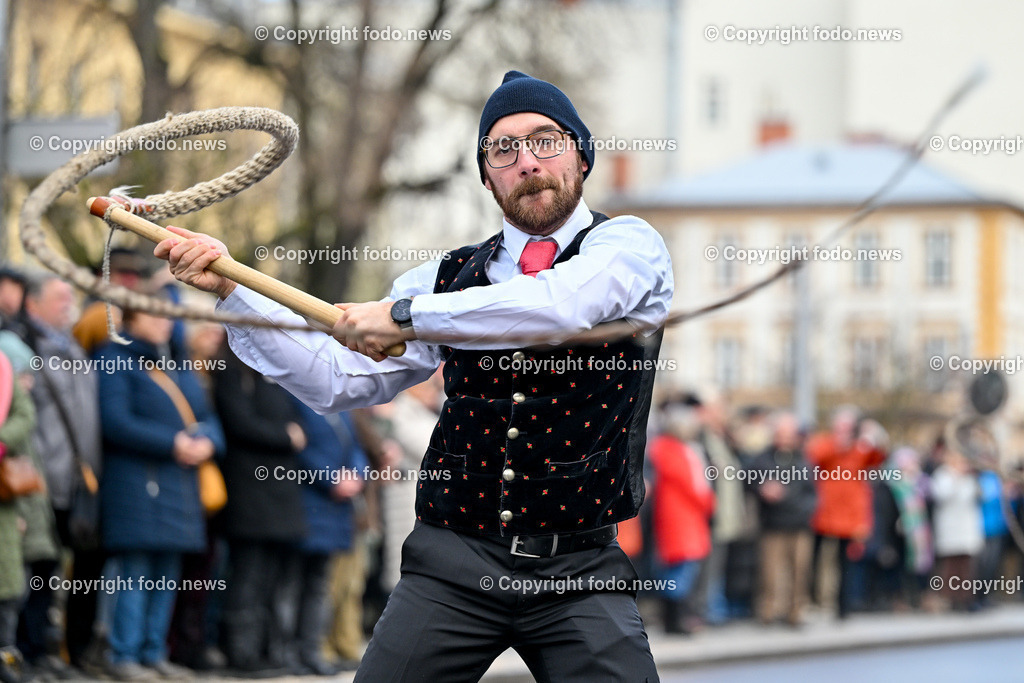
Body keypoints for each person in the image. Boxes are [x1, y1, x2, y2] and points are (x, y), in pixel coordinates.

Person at [155, 70, 673, 682]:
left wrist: (405, 316)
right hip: (452, 561)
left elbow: (558, 307)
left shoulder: (628, 248)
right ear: (486, 175)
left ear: (581, 155)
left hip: (579, 569)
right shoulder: (444, 277)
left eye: (545, 140)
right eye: (502, 149)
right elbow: (337, 379)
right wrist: (234, 293)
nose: (526, 161)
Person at [94, 305, 225, 680]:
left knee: (167, 572)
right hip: (137, 483)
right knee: (135, 571)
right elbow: (115, 421)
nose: (164, 322)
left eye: (167, 316)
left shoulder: (177, 362)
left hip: (179, 487)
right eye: (154, 315)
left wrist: (207, 443)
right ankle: (124, 655)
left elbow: (209, 418)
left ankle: (154, 652)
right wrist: (173, 443)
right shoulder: (114, 358)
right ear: (131, 319)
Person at [20, 273, 103, 675]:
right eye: (59, 298)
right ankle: (28, 652)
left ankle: (62, 651)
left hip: (78, 480)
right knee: (36, 567)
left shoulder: (73, 346)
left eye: (71, 297)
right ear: (33, 303)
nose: (68, 304)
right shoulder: (24, 347)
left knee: (67, 569)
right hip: (41, 480)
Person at [806, 407, 886, 619]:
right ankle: (813, 600)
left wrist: (874, 437)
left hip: (849, 516)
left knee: (845, 563)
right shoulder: (826, 443)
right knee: (816, 558)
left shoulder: (860, 448)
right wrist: (838, 445)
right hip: (825, 512)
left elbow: (878, 458)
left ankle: (843, 607)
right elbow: (815, 456)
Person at [648, 403, 715, 634]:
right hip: (683, 517)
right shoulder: (673, 450)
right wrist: (708, 503)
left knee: (677, 570)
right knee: (682, 570)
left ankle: (674, 619)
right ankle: (676, 621)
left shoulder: (664, 448)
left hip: (678, 516)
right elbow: (693, 485)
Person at [747, 412, 817, 627]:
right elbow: (748, 481)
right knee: (770, 573)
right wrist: (762, 489)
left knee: (799, 571)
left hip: (799, 525)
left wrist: (802, 510)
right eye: (781, 433)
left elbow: (812, 494)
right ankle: (768, 612)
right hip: (773, 524)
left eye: (789, 434)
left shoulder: (804, 460)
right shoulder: (762, 458)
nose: (784, 438)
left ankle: (795, 613)